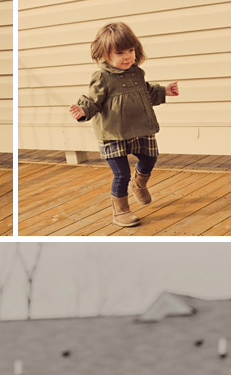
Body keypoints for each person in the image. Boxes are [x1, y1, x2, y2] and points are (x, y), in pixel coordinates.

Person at [69, 22, 179, 228]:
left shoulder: (136, 73)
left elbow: (146, 92)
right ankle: (120, 210)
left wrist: (164, 91)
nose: (127, 56)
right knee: (121, 174)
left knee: (150, 158)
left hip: (140, 127)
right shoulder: (102, 77)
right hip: (113, 133)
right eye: (120, 53)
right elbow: (93, 99)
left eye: (130, 50)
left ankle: (138, 184)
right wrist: (83, 110)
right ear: (105, 54)